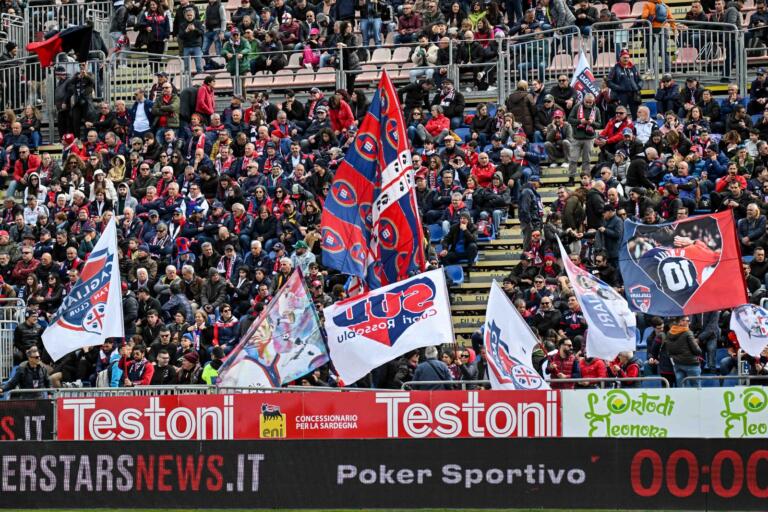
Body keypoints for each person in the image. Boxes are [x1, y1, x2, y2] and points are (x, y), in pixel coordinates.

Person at [665, 316, 702, 387]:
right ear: (680, 322)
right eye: (686, 320)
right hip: (691, 363)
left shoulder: (669, 333)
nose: (689, 322)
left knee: (681, 387)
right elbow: (697, 350)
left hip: (677, 364)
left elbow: (668, 350)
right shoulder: (688, 332)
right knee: (696, 387)